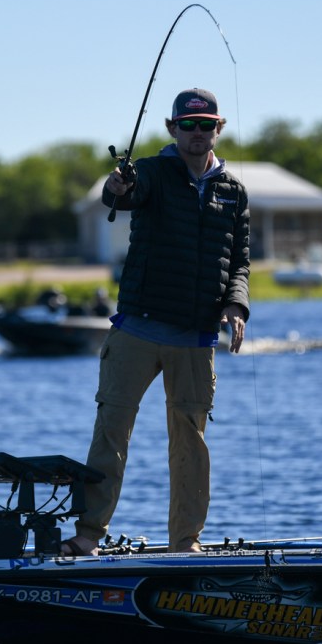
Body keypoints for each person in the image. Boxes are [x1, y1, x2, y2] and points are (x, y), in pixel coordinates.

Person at [62, 88, 250, 556]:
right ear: (172, 128)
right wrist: (117, 187)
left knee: (191, 444)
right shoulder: (148, 173)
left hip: (196, 338)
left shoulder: (233, 191)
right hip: (137, 331)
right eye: (187, 125)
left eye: (205, 124)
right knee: (111, 431)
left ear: (218, 128)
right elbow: (123, 195)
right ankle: (88, 537)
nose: (196, 132)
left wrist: (236, 305)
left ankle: (185, 544)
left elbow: (240, 263)